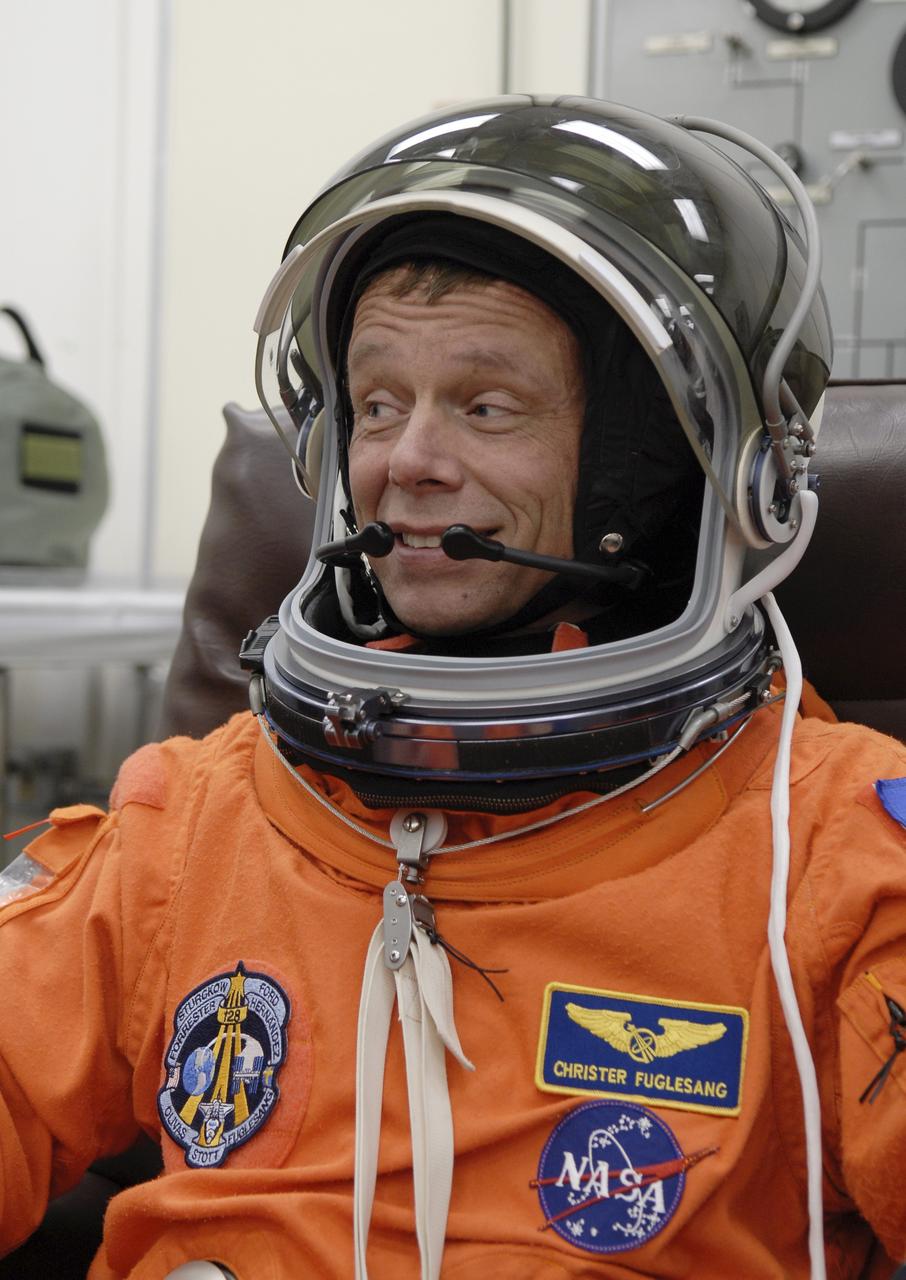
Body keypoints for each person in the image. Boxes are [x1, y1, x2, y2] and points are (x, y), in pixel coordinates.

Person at [1, 98, 904, 1280]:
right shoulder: (191, 823)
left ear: (659, 465)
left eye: (485, 407)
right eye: (378, 404)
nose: (407, 461)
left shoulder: (832, 854)